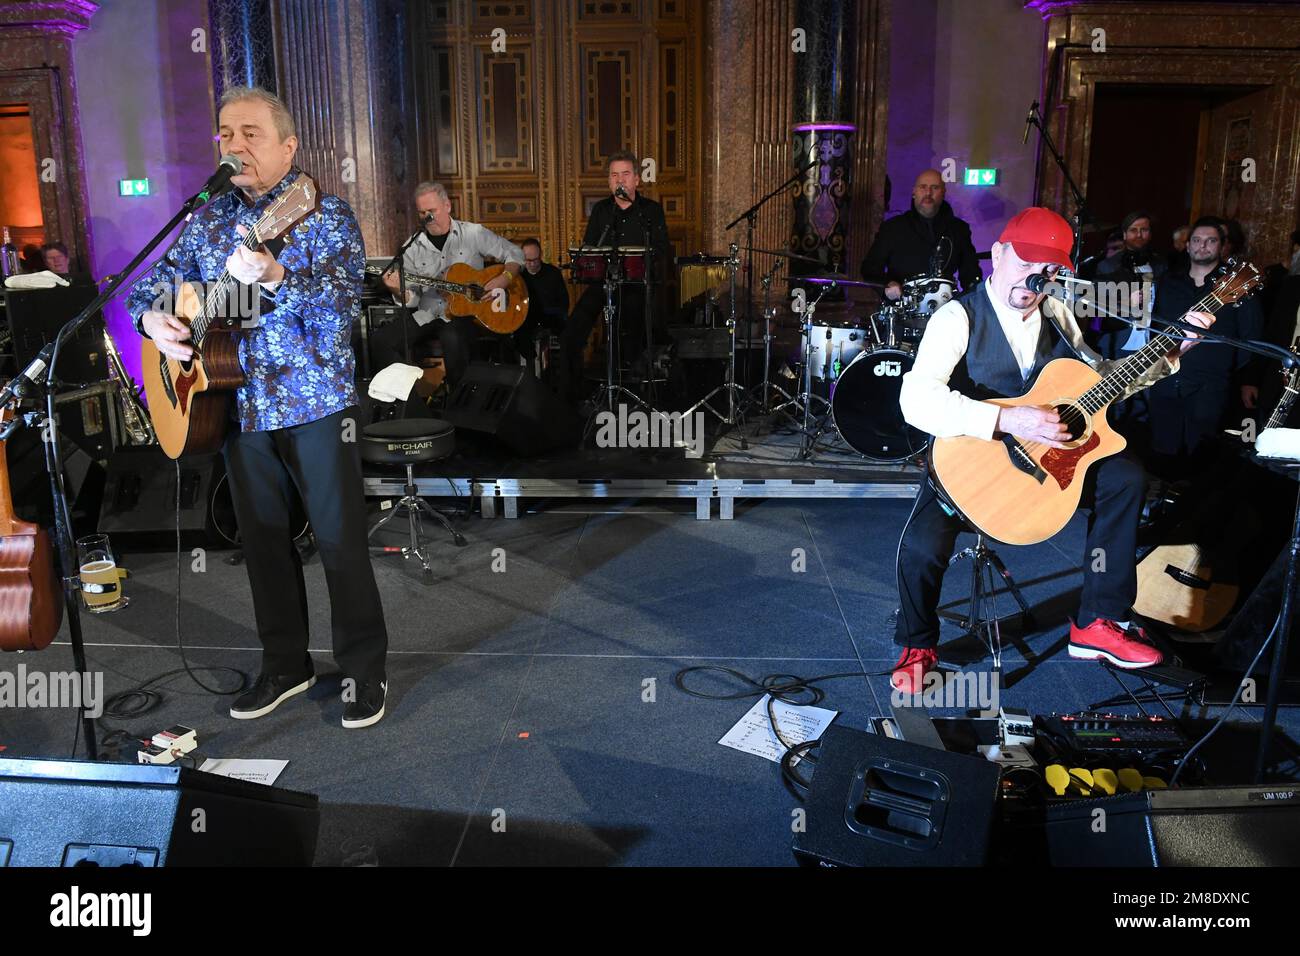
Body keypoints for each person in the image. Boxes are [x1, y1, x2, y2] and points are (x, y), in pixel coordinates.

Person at [127, 85, 390, 729]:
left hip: (314, 401)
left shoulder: (321, 211)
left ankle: (362, 670)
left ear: (288, 145)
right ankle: (285, 664)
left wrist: (276, 278)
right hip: (236, 403)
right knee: (263, 542)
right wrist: (153, 320)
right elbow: (153, 285)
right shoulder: (210, 216)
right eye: (225, 133)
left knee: (339, 544)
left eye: (251, 133)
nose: (235, 145)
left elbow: (341, 302)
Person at [890, 207, 1214, 693]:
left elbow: (1096, 380)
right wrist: (1005, 418)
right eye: (1024, 263)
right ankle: (918, 644)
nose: (1034, 278)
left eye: (1048, 271)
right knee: (922, 547)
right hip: (974, 463)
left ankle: (1097, 622)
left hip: (1048, 466)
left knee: (1125, 475)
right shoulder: (956, 316)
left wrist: (1171, 354)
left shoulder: (1057, 314)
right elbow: (915, 399)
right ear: (998, 255)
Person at [369, 182, 524, 388]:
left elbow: (515, 253)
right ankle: (409, 403)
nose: (427, 217)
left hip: (468, 314)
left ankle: (459, 405)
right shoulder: (412, 246)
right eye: (422, 212)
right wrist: (397, 289)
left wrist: (504, 278)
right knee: (381, 340)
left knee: (453, 337)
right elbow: (413, 298)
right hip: (428, 314)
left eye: (432, 211)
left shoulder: (472, 234)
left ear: (447, 206)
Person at [1145, 217, 1263, 478]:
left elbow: (1251, 338)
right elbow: (1151, 330)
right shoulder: (1167, 284)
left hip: (1211, 387)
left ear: (1221, 246)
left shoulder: (1236, 288)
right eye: (1197, 241)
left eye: (1211, 241)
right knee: (1162, 454)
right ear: (1187, 247)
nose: (1203, 246)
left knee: (1202, 460)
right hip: (1166, 382)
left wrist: (1248, 381)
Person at [559, 150, 670, 402]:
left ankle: (627, 396)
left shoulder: (650, 211)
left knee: (626, 330)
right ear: (609, 181)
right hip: (603, 283)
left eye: (625, 174)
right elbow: (590, 248)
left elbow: (661, 250)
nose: (620, 180)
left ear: (636, 180)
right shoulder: (601, 210)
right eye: (614, 175)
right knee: (572, 331)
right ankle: (571, 397)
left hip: (636, 285)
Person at [860, 168, 981, 300]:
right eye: (923, 187)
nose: (928, 193)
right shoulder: (892, 228)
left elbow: (970, 275)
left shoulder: (959, 230)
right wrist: (887, 284)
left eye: (934, 188)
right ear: (914, 192)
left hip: (945, 312)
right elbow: (869, 268)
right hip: (900, 310)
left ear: (943, 193)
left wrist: (971, 301)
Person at [518, 237, 569, 367]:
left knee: (569, 336)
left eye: (536, 259)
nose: (533, 264)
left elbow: (564, 302)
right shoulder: (519, 276)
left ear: (540, 255)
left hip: (551, 316)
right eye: (528, 260)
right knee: (519, 334)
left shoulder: (553, 273)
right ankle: (530, 370)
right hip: (527, 317)